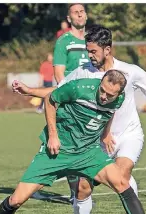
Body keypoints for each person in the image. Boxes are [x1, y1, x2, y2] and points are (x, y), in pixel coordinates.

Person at [12, 24, 146, 214]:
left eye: (93, 51)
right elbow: (58, 91)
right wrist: (30, 91)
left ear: (107, 49)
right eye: (88, 51)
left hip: (128, 135)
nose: (89, 55)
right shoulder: (83, 72)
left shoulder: (130, 71)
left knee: (122, 173)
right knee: (82, 188)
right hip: (96, 139)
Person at [0, 70, 146, 214]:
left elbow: (109, 114)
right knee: (17, 199)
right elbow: (50, 99)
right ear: (101, 81)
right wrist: (53, 136)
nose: (104, 96)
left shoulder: (118, 100)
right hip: (56, 151)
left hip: (88, 153)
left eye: (110, 94)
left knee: (122, 183)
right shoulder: (79, 88)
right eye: (102, 90)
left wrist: (105, 134)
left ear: (119, 93)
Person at [53, 3, 90, 203]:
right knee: (72, 145)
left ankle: (85, 187)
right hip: (72, 102)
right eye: (75, 12)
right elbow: (59, 73)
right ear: (69, 18)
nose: (79, 14)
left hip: (93, 101)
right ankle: (75, 192)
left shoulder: (93, 39)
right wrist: (69, 95)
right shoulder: (63, 41)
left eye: (82, 11)